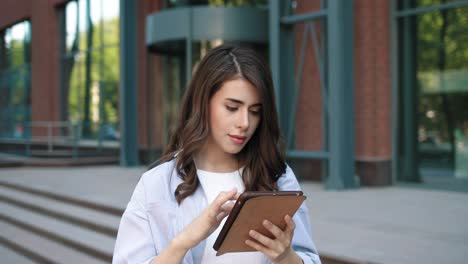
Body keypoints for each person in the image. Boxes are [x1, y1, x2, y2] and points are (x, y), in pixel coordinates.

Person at [113, 45, 321, 264]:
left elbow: (309, 259)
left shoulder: (279, 176)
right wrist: (182, 242)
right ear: (203, 103)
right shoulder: (157, 184)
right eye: (232, 107)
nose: (244, 123)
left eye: (255, 111)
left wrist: (285, 256)